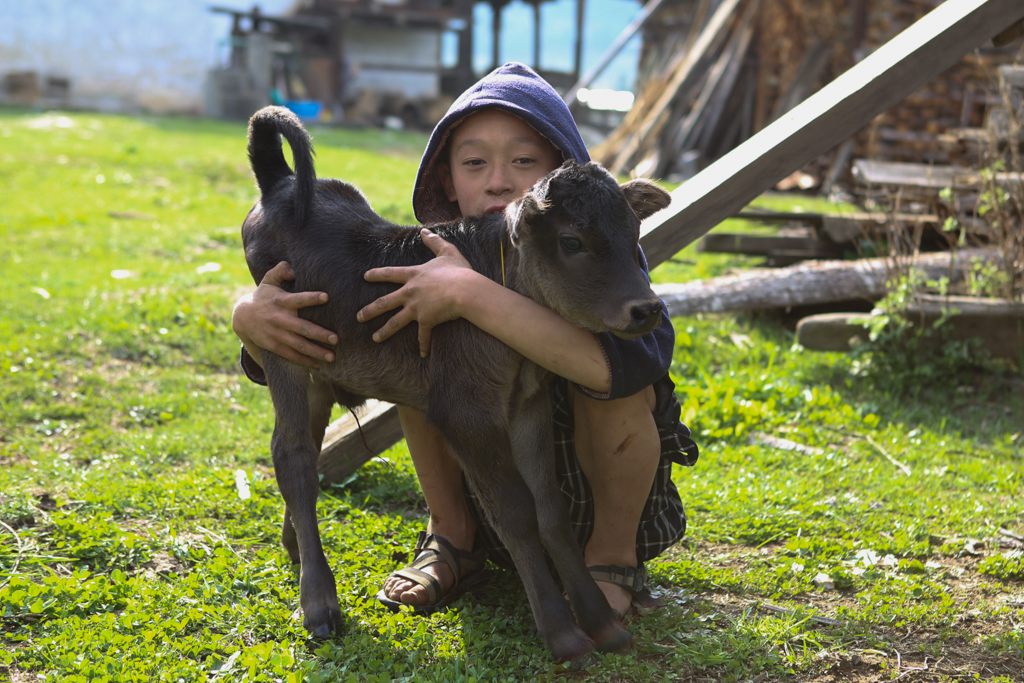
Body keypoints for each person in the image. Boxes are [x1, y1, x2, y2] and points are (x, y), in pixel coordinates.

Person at [232, 62, 698, 621]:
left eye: (525, 161)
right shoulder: (434, 261)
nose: (499, 180)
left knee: (619, 391)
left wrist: (472, 297)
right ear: (447, 182)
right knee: (419, 343)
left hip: (591, 501)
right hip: (494, 500)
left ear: (563, 173)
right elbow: (344, 333)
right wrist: (249, 319)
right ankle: (452, 539)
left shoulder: (601, 265)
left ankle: (610, 564)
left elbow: (626, 367)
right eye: (474, 163)